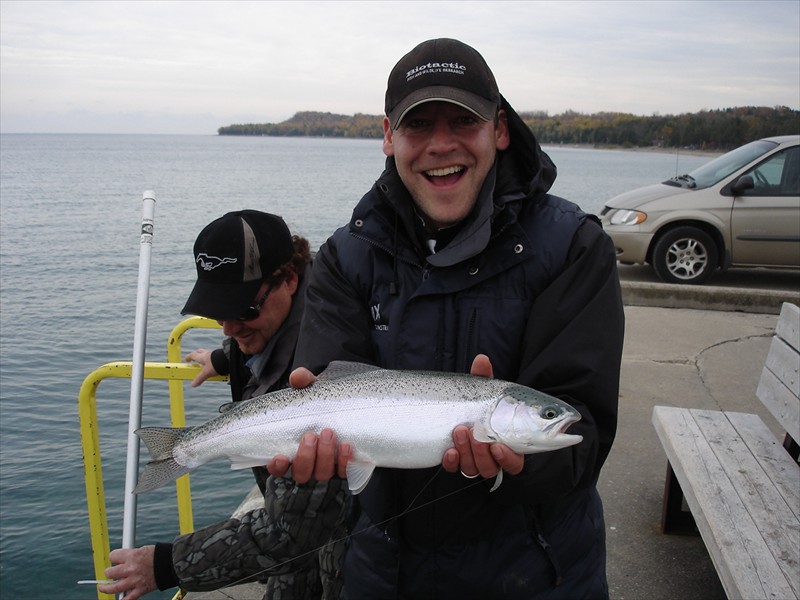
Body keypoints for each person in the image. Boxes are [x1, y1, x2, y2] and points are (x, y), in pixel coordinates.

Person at [270, 38, 625, 598]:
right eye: (417, 126)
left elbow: (583, 433)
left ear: (499, 130)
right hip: (384, 578)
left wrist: (517, 464)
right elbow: (329, 387)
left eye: (463, 120)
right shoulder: (345, 258)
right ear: (388, 137)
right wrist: (318, 460)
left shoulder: (574, 248)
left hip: (540, 579)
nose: (440, 144)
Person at [100, 210, 347, 600]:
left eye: (244, 311)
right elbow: (256, 338)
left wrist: (166, 565)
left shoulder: (318, 370)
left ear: (290, 279)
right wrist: (223, 357)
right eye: (219, 313)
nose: (230, 327)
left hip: (340, 547)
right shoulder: (281, 318)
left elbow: (289, 532)